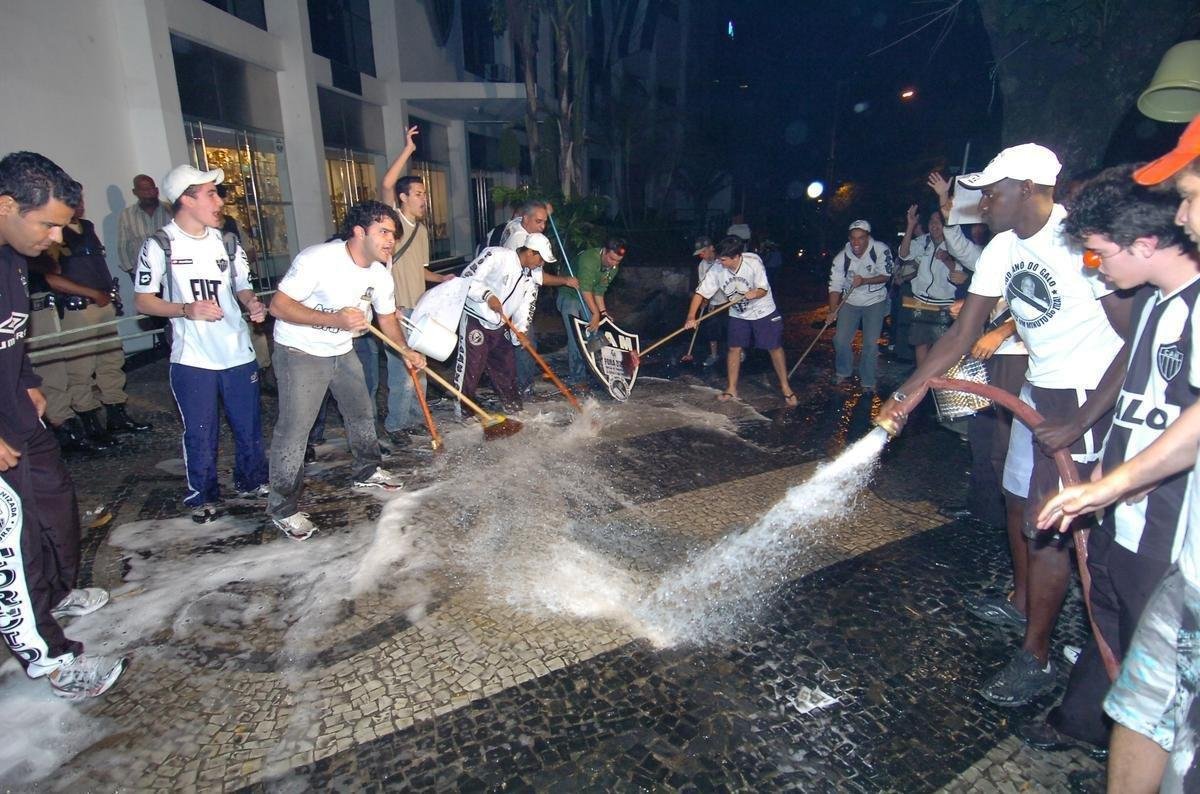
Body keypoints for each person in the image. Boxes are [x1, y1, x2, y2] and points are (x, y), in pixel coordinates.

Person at [877, 143, 1134, 708]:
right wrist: (908, 391)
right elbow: (962, 333)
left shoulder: (1080, 244)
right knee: (1018, 503)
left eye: (992, 191)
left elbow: (1133, 338)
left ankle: (1035, 657)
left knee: (1049, 527)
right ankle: (1021, 602)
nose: (982, 201)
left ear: (1028, 188)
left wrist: (1084, 420)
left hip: (1083, 396)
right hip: (1038, 391)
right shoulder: (1001, 248)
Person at [1036, 115, 1200, 794]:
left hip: (1164, 525)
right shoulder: (1155, 302)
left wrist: (1113, 485)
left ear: (1143, 242)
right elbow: (1138, 398)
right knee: (1111, 626)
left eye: (1101, 252)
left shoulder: (1191, 307)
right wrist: (1100, 466)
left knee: (1149, 657)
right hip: (1122, 513)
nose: (1093, 265)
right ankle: (1083, 730)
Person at [0, 151, 126, 699]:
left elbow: (12, 334)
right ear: (6, 205)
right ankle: (51, 661)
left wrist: (25, 375)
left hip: (19, 416)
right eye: (47, 222)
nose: (56, 237)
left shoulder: (11, 255)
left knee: (54, 505)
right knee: (12, 543)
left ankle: (52, 592)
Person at [267, 200, 425, 541]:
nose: (390, 241)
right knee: (295, 431)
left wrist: (406, 350)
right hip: (300, 351)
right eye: (383, 232)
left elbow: (385, 319)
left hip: (341, 350)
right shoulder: (317, 259)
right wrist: (334, 319)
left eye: (394, 235)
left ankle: (367, 470)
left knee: (360, 412)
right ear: (359, 231)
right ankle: (283, 507)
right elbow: (278, 306)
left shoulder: (380, 274)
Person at [134, 165, 270, 524]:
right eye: (210, 193)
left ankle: (252, 480)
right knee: (200, 431)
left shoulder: (226, 241)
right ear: (186, 199)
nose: (219, 200)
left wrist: (251, 303)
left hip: (237, 351)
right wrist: (185, 309)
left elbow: (241, 285)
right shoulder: (159, 244)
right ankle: (203, 495)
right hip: (192, 357)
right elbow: (143, 301)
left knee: (248, 425)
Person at [49, 188, 151, 442]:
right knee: (80, 368)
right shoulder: (53, 231)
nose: (80, 204)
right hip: (77, 307)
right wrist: (91, 293)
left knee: (111, 361)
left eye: (81, 198)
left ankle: (116, 414)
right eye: (74, 199)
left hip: (102, 303)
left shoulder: (86, 226)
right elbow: (51, 276)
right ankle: (89, 422)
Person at [380, 128, 455, 443]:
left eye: (425, 194)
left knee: (418, 368)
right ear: (403, 198)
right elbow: (386, 183)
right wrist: (409, 149)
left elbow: (421, 271)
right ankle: (395, 425)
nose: (425, 199)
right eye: (419, 194)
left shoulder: (421, 232)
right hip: (394, 311)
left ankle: (415, 417)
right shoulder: (392, 222)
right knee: (401, 372)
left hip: (417, 308)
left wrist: (444, 279)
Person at [684, 235, 797, 407]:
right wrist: (691, 317)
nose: (720, 263)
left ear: (736, 257)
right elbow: (701, 293)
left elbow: (763, 289)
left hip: (763, 311)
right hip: (739, 313)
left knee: (773, 347)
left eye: (724, 260)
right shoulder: (717, 268)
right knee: (734, 348)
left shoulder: (753, 262)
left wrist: (755, 293)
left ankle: (786, 387)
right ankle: (731, 388)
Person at [455, 235, 559, 414]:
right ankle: (464, 410)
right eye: (540, 259)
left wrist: (520, 331)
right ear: (529, 252)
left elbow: (525, 307)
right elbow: (467, 278)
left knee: (506, 365)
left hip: (500, 324)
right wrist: (487, 295)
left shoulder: (531, 278)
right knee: (472, 367)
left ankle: (512, 405)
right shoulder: (497, 255)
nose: (541, 264)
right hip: (476, 319)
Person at [828, 220, 895, 394]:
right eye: (853, 238)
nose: (856, 242)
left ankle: (868, 381)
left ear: (868, 237)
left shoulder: (880, 250)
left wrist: (865, 280)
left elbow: (886, 275)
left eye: (861, 238)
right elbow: (835, 286)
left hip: (875, 300)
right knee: (840, 339)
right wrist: (832, 310)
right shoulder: (841, 258)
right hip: (850, 301)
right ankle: (843, 370)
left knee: (870, 344)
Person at [895, 206, 967, 366]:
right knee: (920, 343)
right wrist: (910, 226)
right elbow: (904, 254)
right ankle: (924, 383)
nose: (935, 225)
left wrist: (947, 260)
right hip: (920, 301)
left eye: (939, 222)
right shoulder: (923, 241)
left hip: (944, 305)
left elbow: (960, 275)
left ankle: (937, 385)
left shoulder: (955, 244)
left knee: (940, 347)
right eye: (932, 222)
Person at [556, 237, 628, 390]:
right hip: (570, 295)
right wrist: (595, 313)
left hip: (587, 296)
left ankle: (600, 371)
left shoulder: (613, 268)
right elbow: (585, 289)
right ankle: (577, 378)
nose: (614, 264)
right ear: (604, 251)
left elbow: (599, 291)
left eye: (618, 261)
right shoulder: (589, 259)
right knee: (576, 337)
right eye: (612, 259)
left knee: (595, 333)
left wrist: (602, 312)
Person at [116, 173, 172, 280]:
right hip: (143, 273)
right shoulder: (127, 215)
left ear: (156, 190)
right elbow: (122, 246)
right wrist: (130, 269)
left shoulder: (170, 210)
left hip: (170, 270)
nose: (148, 193)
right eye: (143, 190)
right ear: (135, 192)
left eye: (150, 189)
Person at [693, 235, 729, 368]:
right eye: (700, 253)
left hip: (729, 301)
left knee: (732, 329)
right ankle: (714, 355)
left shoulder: (724, 260)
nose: (701, 255)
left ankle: (739, 351)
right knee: (712, 330)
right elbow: (702, 286)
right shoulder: (702, 266)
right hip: (714, 303)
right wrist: (704, 299)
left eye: (703, 251)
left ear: (711, 248)